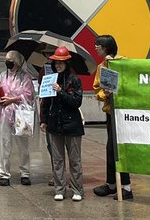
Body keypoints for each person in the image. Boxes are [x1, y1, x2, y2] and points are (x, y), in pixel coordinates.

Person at [39, 46, 84, 202]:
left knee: (74, 160)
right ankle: (59, 189)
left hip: (72, 125)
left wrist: (61, 92)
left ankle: (77, 189)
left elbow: (76, 102)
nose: (58, 65)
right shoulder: (49, 79)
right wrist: (43, 120)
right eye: (55, 62)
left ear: (67, 63)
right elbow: (45, 101)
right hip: (54, 124)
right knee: (57, 160)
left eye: (61, 62)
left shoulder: (74, 79)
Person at [91, 34, 132, 199]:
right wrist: (104, 93)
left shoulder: (123, 63)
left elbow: (130, 83)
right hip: (110, 112)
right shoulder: (102, 67)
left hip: (122, 112)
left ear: (106, 47)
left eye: (98, 45)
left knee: (119, 150)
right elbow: (97, 90)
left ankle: (127, 187)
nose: (95, 47)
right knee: (110, 149)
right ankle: (112, 184)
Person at [0, 50, 35, 186]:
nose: (7, 62)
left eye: (10, 60)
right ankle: (4, 173)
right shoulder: (2, 76)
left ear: (16, 62)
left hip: (20, 114)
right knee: (4, 144)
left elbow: (29, 95)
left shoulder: (25, 77)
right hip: (4, 113)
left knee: (23, 145)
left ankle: (25, 172)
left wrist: (13, 99)